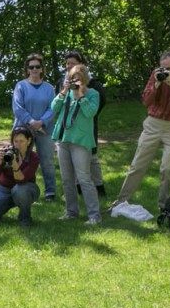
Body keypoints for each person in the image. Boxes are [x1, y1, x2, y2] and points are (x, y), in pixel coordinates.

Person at [111, 51, 170, 211]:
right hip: (154, 124)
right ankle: (121, 201)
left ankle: (163, 206)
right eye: (161, 67)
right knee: (137, 165)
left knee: (167, 168)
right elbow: (146, 101)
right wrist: (157, 85)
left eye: (168, 69)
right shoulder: (156, 74)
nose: (163, 71)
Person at [51, 64, 101, 224]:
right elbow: (54, 108)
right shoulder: (67, 93)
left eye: (78, 79)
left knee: (84, 178)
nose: (75, 82)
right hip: (63, 139)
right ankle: (71, 211)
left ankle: (94, 216)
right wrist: (64, 91)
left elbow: (90, 113)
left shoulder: (93, 94)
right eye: (72, 79)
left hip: (81, 141)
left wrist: (80, 96)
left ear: (85, 79)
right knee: (67, 179)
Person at [59, 51, 107, 198]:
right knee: (71, 160)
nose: (69, 66)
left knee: (91, 157)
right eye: (67, 63)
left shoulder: (94, 85)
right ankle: (78, 187)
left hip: (87, 126)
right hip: (68, 128)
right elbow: (58, 105)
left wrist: (84, 116)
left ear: (82, 64)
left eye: (72, 63)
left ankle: (99, 187)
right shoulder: (63, 82)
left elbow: (98, 105)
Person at [12, 53, 57, 201]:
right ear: (27, 69)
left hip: (45, 130)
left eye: (37, 66)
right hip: (24, 132)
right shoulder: (20, 86)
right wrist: (33, 123)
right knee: (22, 160)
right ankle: (24, 189)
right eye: (31, 67)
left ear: (42, 69)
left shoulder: (49, 88)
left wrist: (42, 122)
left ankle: (50, 192)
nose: (35, 69)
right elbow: (18, 108)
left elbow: (53, 108)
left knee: (47, 161)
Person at [0, 126, 40, 226]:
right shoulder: (7, 152)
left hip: (25, 188)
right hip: (4, 189)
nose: (18, 145)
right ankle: (1, 207)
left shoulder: (33, 157)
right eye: (16, 141)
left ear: (29, 141)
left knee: (20, 190)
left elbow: (21, 180)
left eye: (22, 141)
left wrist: (14, 165)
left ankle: (25, 218)